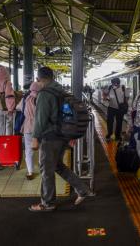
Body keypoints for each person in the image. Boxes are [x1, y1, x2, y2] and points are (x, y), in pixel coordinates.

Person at [29, 67, 94, 212]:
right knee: (57, 165)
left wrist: (35, 137)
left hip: (50, 137)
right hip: (62, 136)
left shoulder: (45, 93)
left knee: (46, 170)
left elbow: (41, 119)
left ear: (39, 79)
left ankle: (47, 203)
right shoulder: (62, 91)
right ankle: (82, 189)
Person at [16, 82, 41, 180]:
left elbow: (18, 108)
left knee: (28, 150)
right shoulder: (41, 99)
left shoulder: (25, 99)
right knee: (42, 148)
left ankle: (30, 172)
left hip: (28, 126)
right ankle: (42, 167)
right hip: (40, 126)